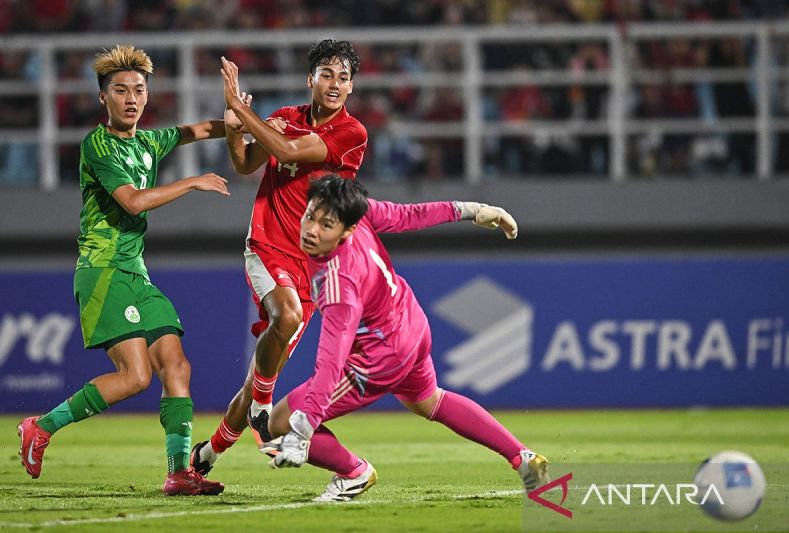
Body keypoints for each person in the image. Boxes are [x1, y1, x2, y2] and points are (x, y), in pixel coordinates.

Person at [17, 44, 228, 496]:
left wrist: (245, 120)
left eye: (138, 89)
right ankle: (41, 427)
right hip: (102, 271)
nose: (131, 98)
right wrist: (192, 181)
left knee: (177, 365)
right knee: (136, 377)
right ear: (103, 98)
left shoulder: (150, 141)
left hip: (135, 273)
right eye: (120, 90)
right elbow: (132, 200)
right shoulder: (98, 145)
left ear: (148, 96)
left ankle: (178, 472)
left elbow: (203, 128)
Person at [262, 174, 549, 502]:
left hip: (380, 356)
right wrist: (473, 209)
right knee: (430, 400)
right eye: (310, 216)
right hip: (410, 325)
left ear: (347, 230)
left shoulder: (338, 282)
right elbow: (410, 215)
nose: (312, 229)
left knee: (282, 421)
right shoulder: (359, 211)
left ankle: (354, 473)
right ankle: (523, 458)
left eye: (326, 225)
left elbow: (331, 360)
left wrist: (303, 428)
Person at [190, 39, 367, 475]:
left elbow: (288, 151)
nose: (335, 83)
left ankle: (205, 456)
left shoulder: (352, 133)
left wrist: (238, 109)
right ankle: (266, 405)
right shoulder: (286, 118)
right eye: (327, 74)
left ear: (351, 87)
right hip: (267, 244)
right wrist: (235, 130)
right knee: (284, 319)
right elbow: (248, 162)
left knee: (255, 382)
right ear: (311, 80)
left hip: (313, 266)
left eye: (343, 77)